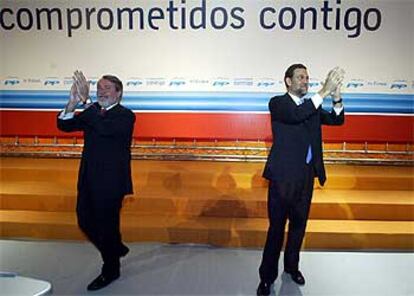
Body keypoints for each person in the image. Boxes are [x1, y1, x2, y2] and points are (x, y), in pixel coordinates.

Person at [256, 64, 345, 296]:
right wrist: (323, 91)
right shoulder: (278, 103)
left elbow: (337, 120)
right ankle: (266, 278)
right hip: (283, 179)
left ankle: (292, 267)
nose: (305, 81)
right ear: (288, 81)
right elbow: (296, 115)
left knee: (298, 227)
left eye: (307, 77)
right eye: (300, 77)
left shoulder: (311, 109)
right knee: (276, 229)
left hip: (306, 178)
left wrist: (336, 97)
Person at [57, 71, 135, 291]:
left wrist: (88, 102)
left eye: (107, 88)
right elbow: (65, 125)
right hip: (88, 178)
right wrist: (72, 103)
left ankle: (111, 269)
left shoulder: (125, 115)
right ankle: (115, 248)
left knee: (107, 227)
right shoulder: (93, 112)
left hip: (111, 183)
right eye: (99, 88)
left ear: (118, 93)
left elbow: (105, 129)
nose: (101, 91)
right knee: (84, 221)